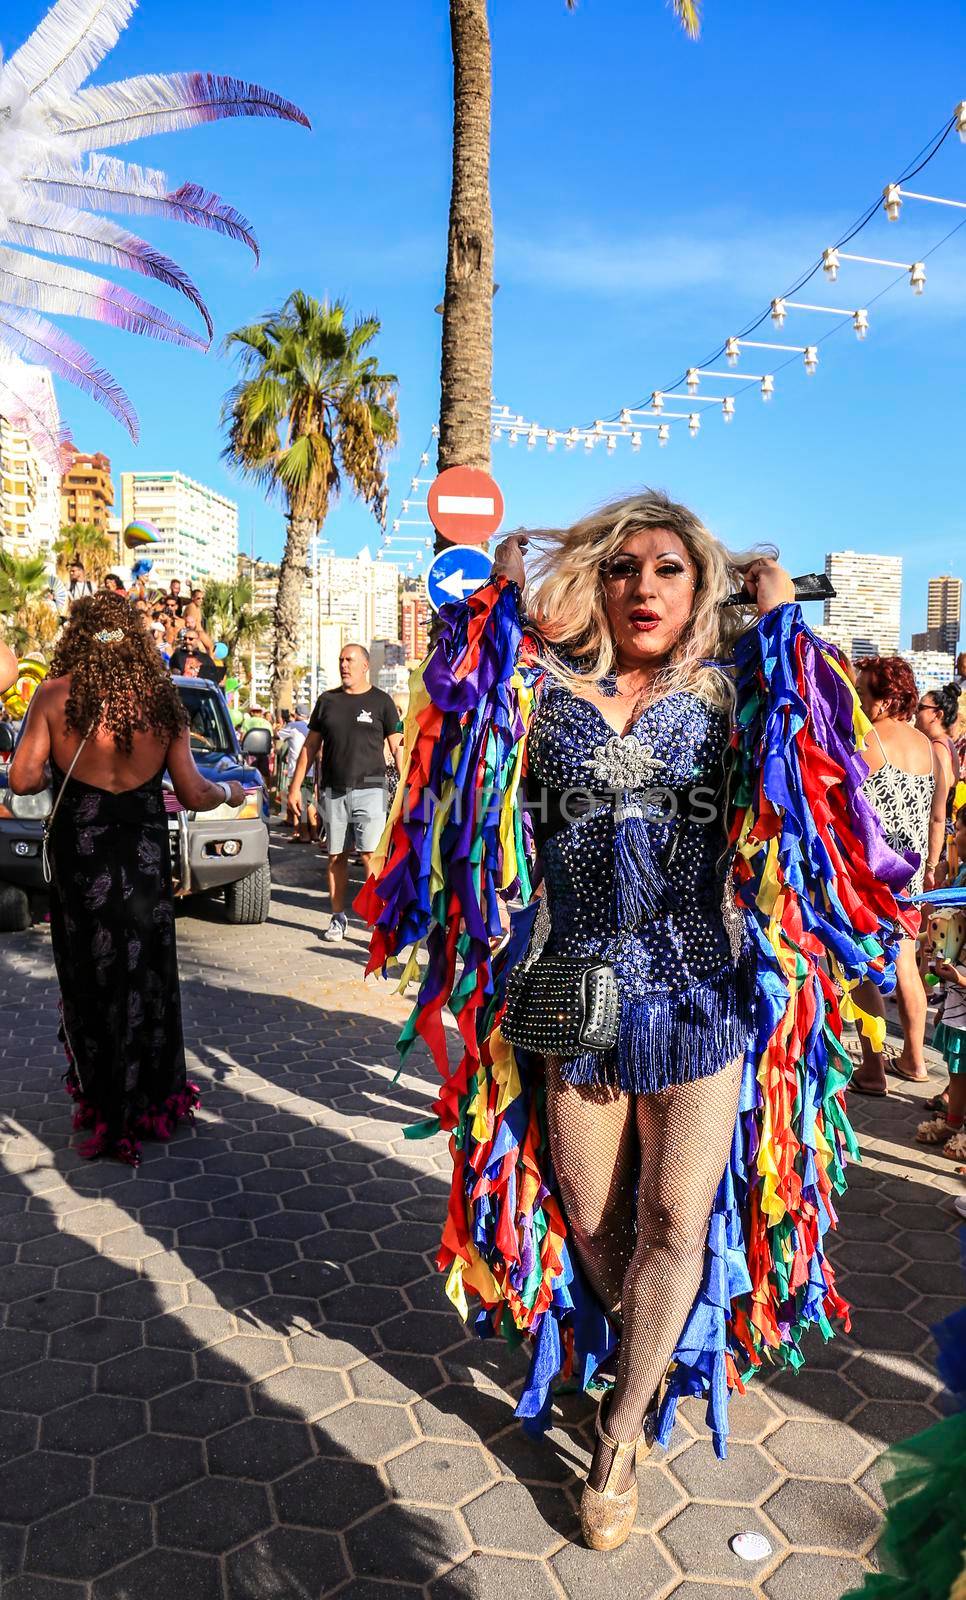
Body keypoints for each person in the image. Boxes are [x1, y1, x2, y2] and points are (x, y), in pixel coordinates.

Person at [357, 492, 918, 1551]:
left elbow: (825, 770)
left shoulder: (735, 693)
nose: (644, 586)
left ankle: (620, 1433)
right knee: (592, 1219)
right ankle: (639, 1344)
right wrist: (490, 607)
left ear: (697, 584)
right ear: (596, 584)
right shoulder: (539, 689)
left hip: (702, 993)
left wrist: (780, 615)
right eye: (622, 568)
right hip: (569, 985)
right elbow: (454, 720)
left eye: (668, 568)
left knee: (675, 1219)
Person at [8, 592, 245, 1164]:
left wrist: (69, 777)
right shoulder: (162, 700)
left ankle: (102, 1102)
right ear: (136, 640)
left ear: (78, 636)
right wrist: (230, 792)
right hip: (140, 851)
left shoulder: (54, 695)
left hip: (81, 853)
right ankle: (152, 1098)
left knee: (88, 969)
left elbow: (21, 780)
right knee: (147, 970)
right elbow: (192, 791)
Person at [847, 656, 945, 1093]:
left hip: (872, 872)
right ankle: (916, 1060)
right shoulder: (929, 747)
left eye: (864, 694)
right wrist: (929, 868)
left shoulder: (868, 740)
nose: (860, 702)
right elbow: (938, 817)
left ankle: (872, 1067)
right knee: (906, 963)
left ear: (886, 699)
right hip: (911, 869)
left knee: (865, 965)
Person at [291, 645, 403, 942]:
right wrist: (295, 787)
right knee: (336, 856)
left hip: (372, 790)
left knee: (370, 856)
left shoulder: (382, 702)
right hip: (334, 791)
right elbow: (310, 747)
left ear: (365, 665)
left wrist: (407, 785)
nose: (344, 665)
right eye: (340, 660)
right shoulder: (327, 701)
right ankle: (338, 917)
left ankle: (376, 921)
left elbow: (397, 746)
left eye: (350, 660)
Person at [916, 803, 966, 1160]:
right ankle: (954, 1119)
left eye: (959, 827)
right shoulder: (961, 873)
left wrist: (960, 977)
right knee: (956, 1065)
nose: (954, 834)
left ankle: (957, 1127)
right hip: (957, 996)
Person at [916, 683, 961, 820]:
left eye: (921, 707)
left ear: (938, 715)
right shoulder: (945, 743)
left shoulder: (938, 748)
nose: (915, 712)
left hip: (935, 828)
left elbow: (938, 802)